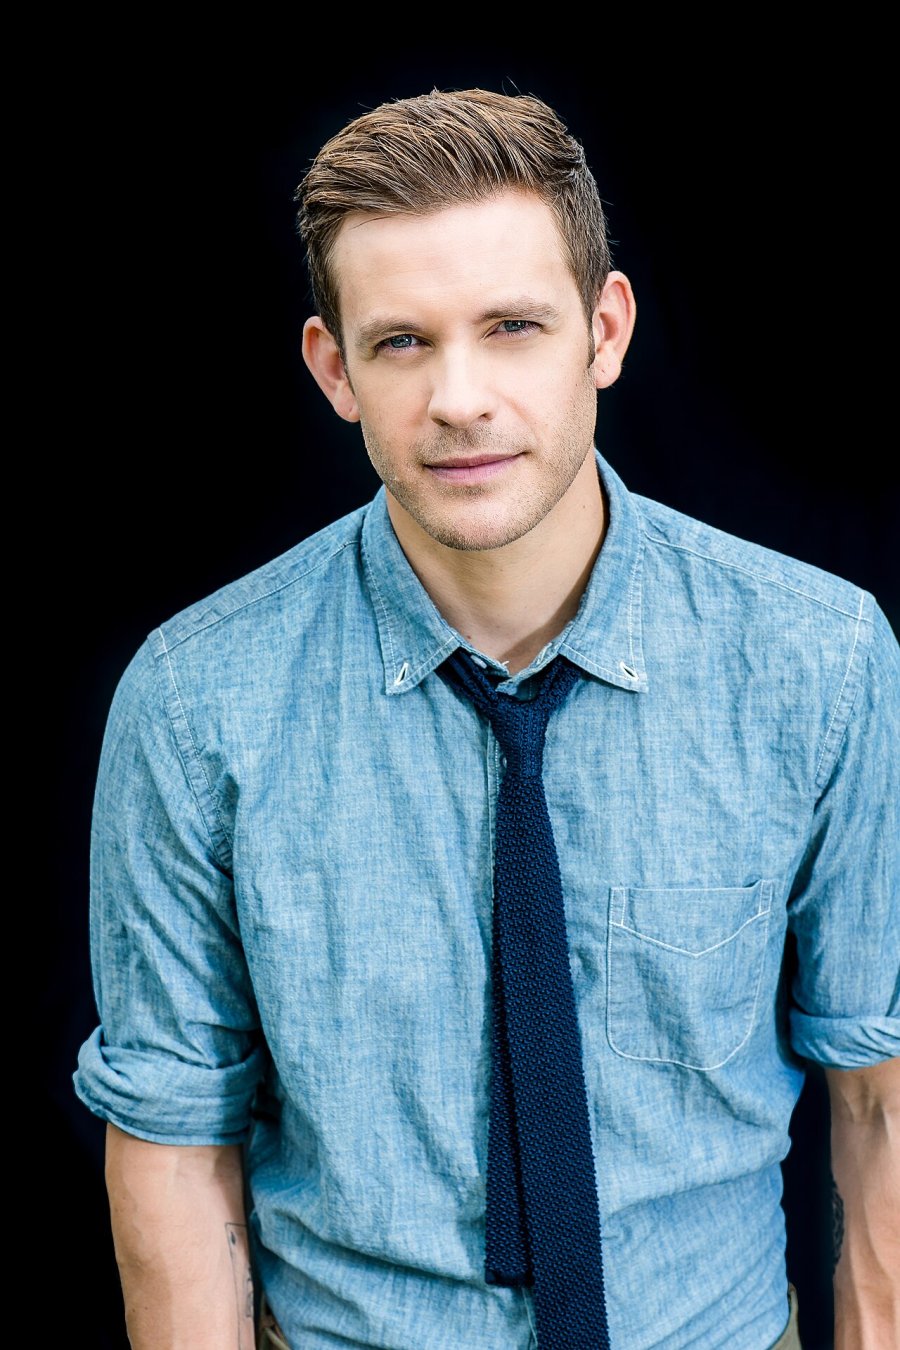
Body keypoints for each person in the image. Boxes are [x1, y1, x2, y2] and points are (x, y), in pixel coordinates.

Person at [74, 88, 899, 1350]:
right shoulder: (196, 705)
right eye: (403, 342)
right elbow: (176, 1147)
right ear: (335, 369)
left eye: (512, 327)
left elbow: (880, 1097)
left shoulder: (818, 662)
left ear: (603, 331)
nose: (459, 397)